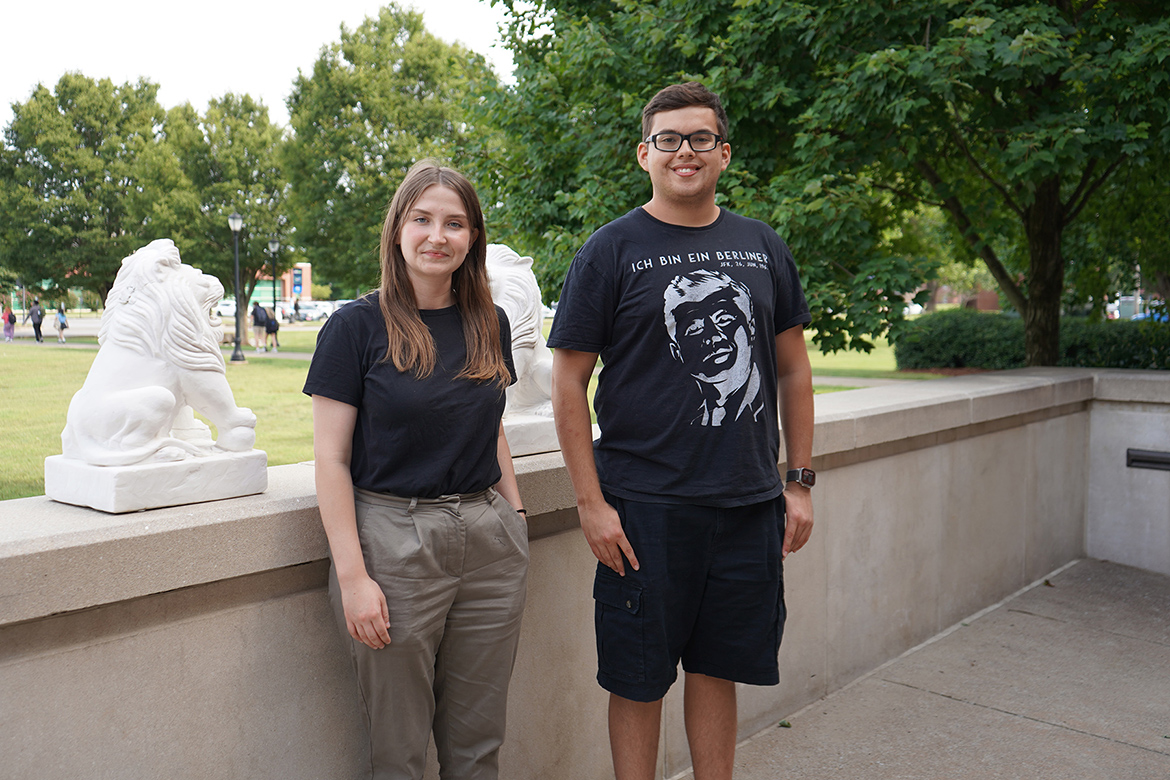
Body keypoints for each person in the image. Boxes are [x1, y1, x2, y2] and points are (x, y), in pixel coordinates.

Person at [547, 82, 816, 780]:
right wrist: (591, 502)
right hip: (643, 508)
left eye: (700, 138)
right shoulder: (610, 250)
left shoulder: (762, 247)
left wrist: (800, 481)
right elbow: (568, 381)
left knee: (717, 668)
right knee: (637, 679)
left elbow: (792, 370)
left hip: (748, 502)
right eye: (668, 139)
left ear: (723, 153)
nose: (684, 152)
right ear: (645, 154)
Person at [303, 159, 529, 780]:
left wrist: (516, 514)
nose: (438, 235)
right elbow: (330, 459)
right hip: (392, 540)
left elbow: (492, 423)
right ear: (398, 229)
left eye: (455, 223)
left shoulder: (491, 322)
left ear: (473, 237)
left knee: (479, 743)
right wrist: (353, 577)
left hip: (489, 539)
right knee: (398, 751)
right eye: (422, 219)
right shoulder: (354, 328)